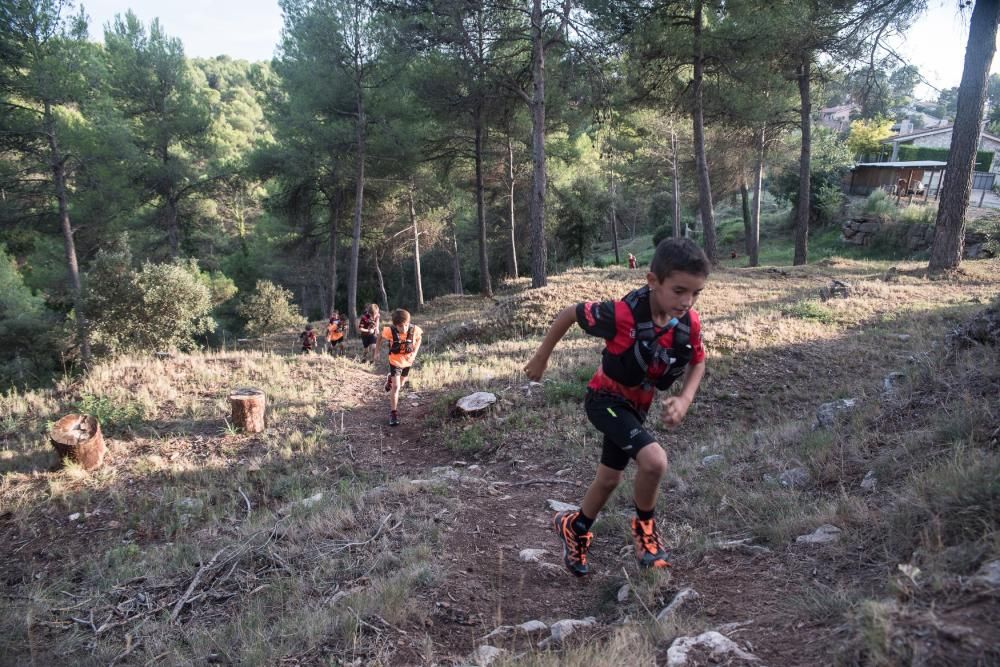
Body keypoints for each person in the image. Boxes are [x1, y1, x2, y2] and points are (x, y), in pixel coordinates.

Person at [523, 238, 709, 576]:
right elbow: (570, 313)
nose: (687, 301)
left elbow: (698, 361)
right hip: (604, 400)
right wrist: (540, 357)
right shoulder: (621, 315)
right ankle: (646, 533)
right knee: (654, 461)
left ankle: (575, 528)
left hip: (637, 407)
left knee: (609, 479)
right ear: (653, 281)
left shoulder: (688, 323)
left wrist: (684, 399)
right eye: (679, 290)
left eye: (695, 293)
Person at [375, 308, 422, 427]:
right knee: (396, 388)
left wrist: (415, 353)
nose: (404, 328)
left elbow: (419, 338)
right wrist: (377, 352)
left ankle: (390, 378)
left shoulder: (414, 329)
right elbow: (380, 336)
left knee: (401, 385)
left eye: (406, 325)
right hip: (395, 361)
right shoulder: (390, 331)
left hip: (408, 362)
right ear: (395, 325)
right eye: (401, 326)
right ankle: (393, 414)